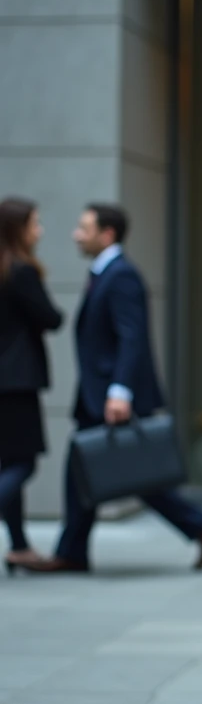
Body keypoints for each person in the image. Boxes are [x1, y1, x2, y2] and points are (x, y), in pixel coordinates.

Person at [13, 204, 202, 574]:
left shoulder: (121, 275)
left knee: (127, 470)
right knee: (93, 468)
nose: (76, 235)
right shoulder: (105, 274)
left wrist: (120, 391)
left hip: (112, 396)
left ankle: (199, 522)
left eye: (84, 228)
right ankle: (74, 551)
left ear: (107, 234)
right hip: (99, 394)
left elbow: (133, 338)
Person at [0, 198, 64, 574]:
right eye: (34, 224)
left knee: (10, 461)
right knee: (24, 462)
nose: (38, 231)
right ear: (17, 229)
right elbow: (50, 318)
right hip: (17, 381)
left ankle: (20, 546)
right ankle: (19, 545)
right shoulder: (20, 272)